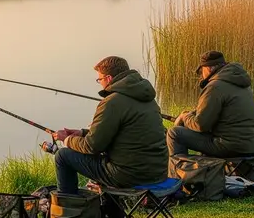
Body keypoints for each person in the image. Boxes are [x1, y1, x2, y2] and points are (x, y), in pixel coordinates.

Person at [49, 56, 169, 194]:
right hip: (158, 172)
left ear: (109, 78)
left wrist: (67, 140)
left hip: (129, 176)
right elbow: (124, 132)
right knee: (102, 157)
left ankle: (68, 210)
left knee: (63, 156)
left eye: (99, 79)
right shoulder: (148, 98)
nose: (99, 83)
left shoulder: (111, 102)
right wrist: (82, 133)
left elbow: (91, 146)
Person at [167, 50, 254, 159]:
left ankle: (178, 172)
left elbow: (201, 125)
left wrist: (184, 117)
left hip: (230, 147)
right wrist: (192, 113)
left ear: (208, 68)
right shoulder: (240, 81)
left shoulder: (215, 86)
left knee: (175, 133)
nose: (201, 75)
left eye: (201, 70)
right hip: (253, 145)